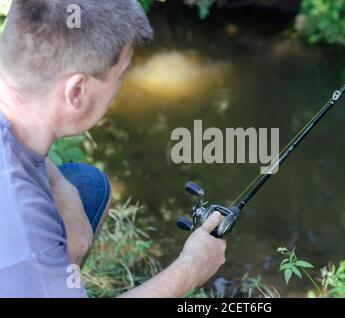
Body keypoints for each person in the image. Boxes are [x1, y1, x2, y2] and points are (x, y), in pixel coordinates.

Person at [0, 0, 226, 298]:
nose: (121, 87)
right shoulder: (23, 227)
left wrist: (60, 187)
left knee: (85, 186)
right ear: (76, 92)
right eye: (120, 76)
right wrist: (191, 268)